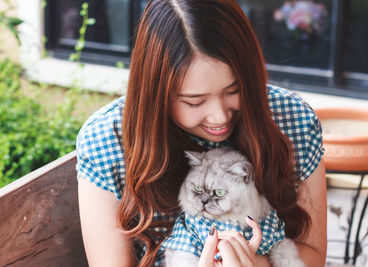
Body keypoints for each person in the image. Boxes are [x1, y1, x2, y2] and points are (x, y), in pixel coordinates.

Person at [76, 0, 327, 266]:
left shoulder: (291, 118)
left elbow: (311, 251)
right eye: (194, 102)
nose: (220, 116)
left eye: (234, 90)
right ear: (156, 95)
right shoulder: (107, 138)